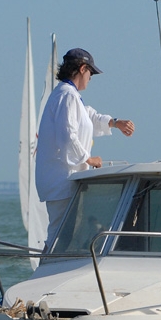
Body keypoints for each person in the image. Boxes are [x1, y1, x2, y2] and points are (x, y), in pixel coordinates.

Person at [36, 48, 135, 247]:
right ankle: (50, 269)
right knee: (60, 236)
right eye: (91, 73)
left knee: (62, 235)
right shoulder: (67, 95)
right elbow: (68, 134)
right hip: (62, 180)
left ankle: (52, 267)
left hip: (63, 180)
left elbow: (87, 117)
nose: (91, 78)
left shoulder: (69, 95)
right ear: (82, 69)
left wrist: (114, 122)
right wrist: (88, 159)